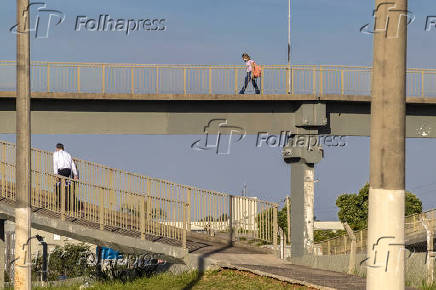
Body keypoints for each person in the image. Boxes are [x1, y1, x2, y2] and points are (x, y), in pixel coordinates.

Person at [53, 143, 78, 213]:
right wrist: (75, 174)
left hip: (61, 170)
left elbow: (55, 163)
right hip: (68, 170)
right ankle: (68, 204)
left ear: (57, 148)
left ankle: (61, 204)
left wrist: (55, 174)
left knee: (58, 186)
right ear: (63, 148)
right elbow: (72, 164)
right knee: (66, 185)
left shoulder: (56, 153)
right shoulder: (68, 154)